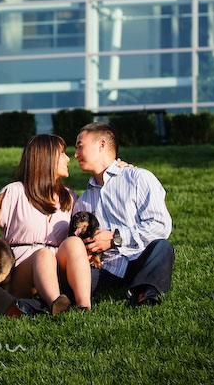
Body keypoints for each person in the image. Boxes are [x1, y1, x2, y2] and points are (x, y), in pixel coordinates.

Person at [0, 133, 93, 316]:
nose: (68, 159)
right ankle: (56, 306)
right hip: (22, 271)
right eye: (63, 154)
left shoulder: (69, 197)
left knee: (74, 243)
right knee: (43, 255)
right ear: (46, 157)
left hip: (58, 270)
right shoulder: (15, 192)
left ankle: (84, 306)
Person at [68, 121, 174, 306]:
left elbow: (161, 225)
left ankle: (144, 293)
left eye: (80, 147)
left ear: (101, 144)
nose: (75, 154)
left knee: (163, 247)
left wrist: (115, 237)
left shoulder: (138, 178)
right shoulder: (83, 200)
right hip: (106, 268)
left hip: (139, 257)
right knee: (71, 279)